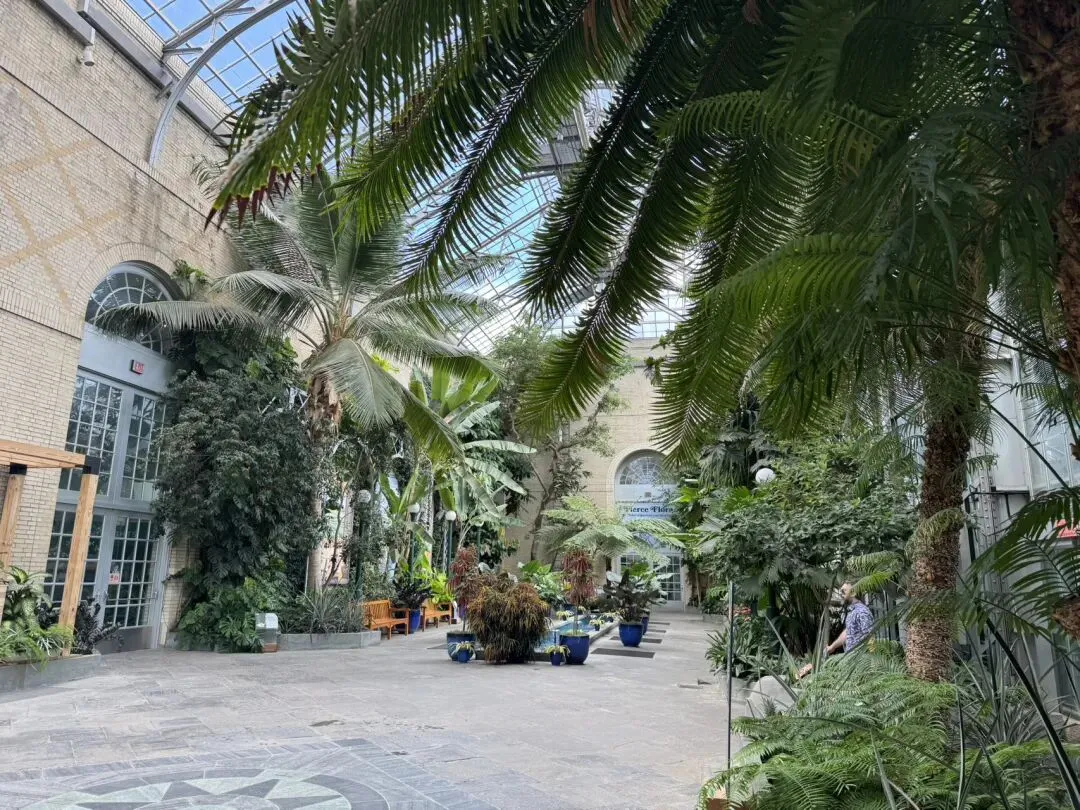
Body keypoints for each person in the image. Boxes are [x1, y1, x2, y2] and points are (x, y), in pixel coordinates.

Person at [798, 582, 873, 679]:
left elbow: (870, 637)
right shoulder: (852, 611)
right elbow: (847, 633)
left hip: (861, 664)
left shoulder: (862, 612)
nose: (841, 594)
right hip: (851, 662)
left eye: (843, 591)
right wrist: (832, 647)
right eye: (840, 591)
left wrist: (871, 666)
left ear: (853, 593)